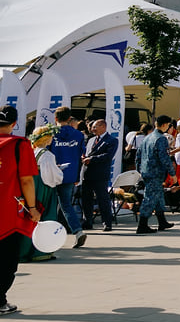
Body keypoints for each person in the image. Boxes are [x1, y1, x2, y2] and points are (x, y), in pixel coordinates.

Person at [0, 106, 39, 314]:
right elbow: (26, 180)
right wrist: (32, 208)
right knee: (7, 258)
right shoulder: (19, 145)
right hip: (6, 212)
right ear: (14, 124)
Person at [19, 125, 64, 262]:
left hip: (30, 186)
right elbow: (53, 177)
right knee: (45, 215)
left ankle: (24, 250)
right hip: (44, 187)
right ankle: (41, 251)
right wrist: (59, 171)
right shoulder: (47, 155)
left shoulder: (30, 152)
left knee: (28, 218)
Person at [49, 108, 86, 246]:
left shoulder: (50, 133)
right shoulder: (78, 135)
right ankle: (78, 231)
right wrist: (77, 175)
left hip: (51, 173)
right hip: (70, 174)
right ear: (69, 118)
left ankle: (50, 235)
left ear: (56, 118)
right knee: (66, 204)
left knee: (48, 204)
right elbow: (80, 156)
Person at [136, 116, 176, 235]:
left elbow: (138, 156)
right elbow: (164, 158)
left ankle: (162, 221)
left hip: (146, 171)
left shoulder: (147, 138)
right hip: (156, 172)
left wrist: (141, 169)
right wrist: (172, 173)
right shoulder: (161, 139)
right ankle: (142, 225)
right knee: (150, 198)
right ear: (164, 125)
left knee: (158, 196)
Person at [80, 119, 117, 232]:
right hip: (87, 173)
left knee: (103, 199)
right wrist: (84, 157)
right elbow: (86, 152)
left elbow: (108, 156)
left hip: (100, 174)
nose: (92, 129)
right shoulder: (91, 140)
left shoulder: (111, 140)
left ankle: (107, 223)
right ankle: (87, 221)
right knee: (86, 199)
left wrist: (91, 159)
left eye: (95, 127)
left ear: (103, 127)